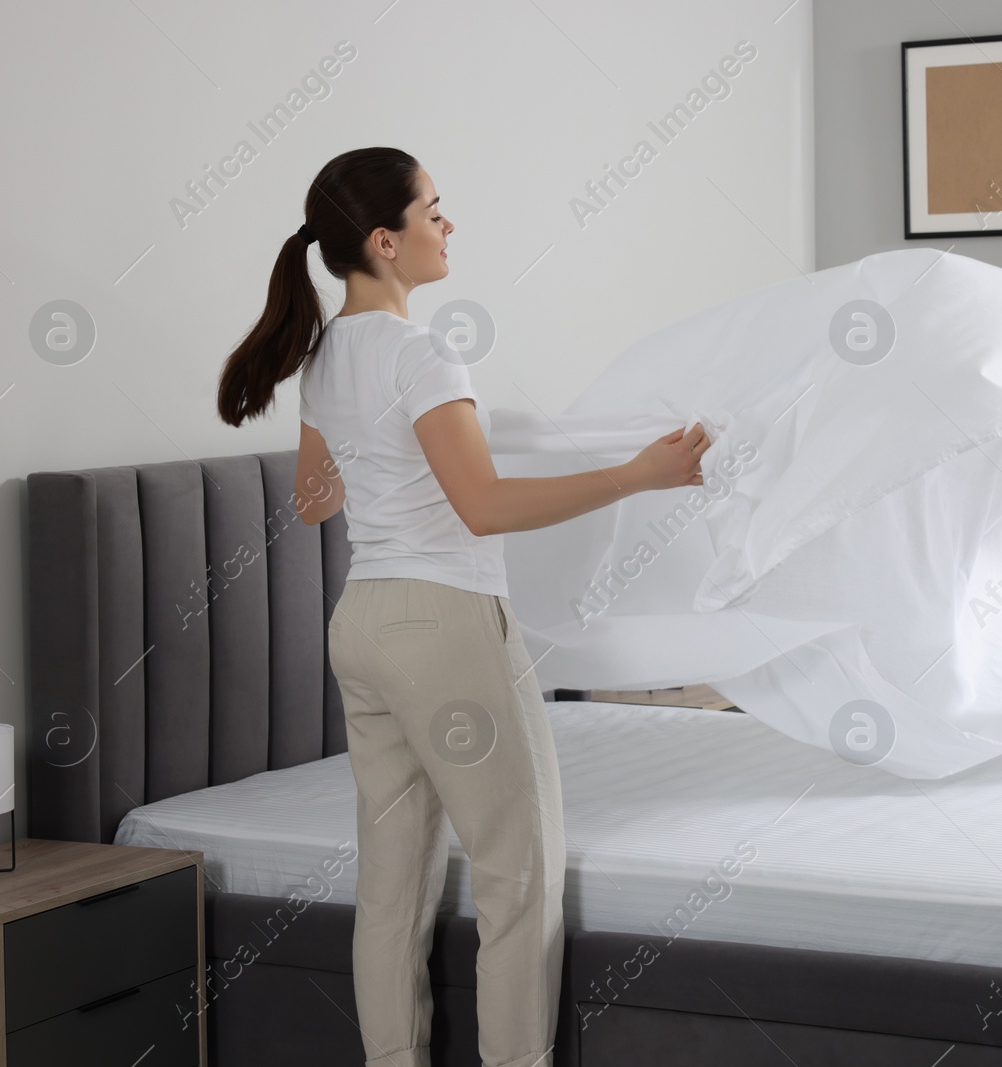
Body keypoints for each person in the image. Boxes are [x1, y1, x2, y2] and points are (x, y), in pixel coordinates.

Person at [215, 146, 710, 1067]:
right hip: (444, 622)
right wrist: (639, 474)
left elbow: (315, 497)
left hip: (362, 623)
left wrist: (394, 457)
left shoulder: (325, 357)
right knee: (517, 869)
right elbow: (482, 508)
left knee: (390, 882)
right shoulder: (421, 352)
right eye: (433, 211)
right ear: (383, 241)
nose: (448, 225)